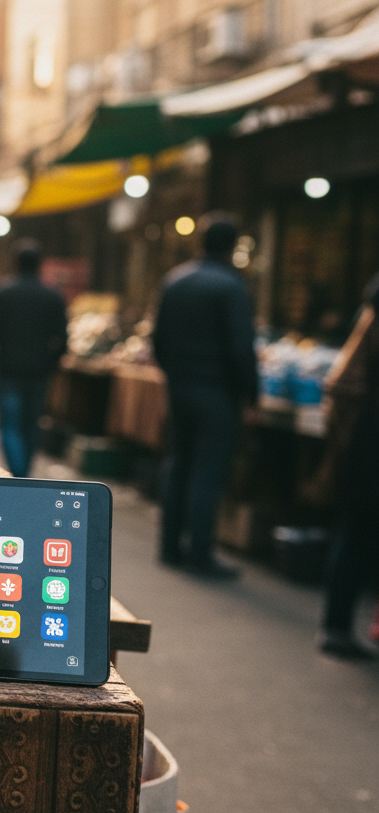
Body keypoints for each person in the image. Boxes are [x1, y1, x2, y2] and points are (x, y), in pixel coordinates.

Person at [152, 215, 258, 579]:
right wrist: (251, 397)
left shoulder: (175, 280)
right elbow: (242, 349)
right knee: (207, 471)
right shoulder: (231, 287)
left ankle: (168, 546)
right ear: (232, 247)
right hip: (217, 392)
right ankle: (199, 551)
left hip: (180, 388)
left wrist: (175, 375)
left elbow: (158, 341)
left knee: (178, 462)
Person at [317, 280, 379, 659]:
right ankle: (336, 628)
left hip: (364, 445)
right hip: (368, 446)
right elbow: (343, 385)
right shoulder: (373, 322)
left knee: (356, 535)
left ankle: (337, 627)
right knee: (357, 534)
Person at [0, 242, 66, 478]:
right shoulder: (52, 296)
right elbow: (63, 339)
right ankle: (24, 473)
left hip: (9, 371)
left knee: (9, 426)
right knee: (31, 427)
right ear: (40, 264)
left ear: (16, 263)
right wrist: (50, 363)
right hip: (39, 373)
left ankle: (18, 475)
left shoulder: (4, 293)